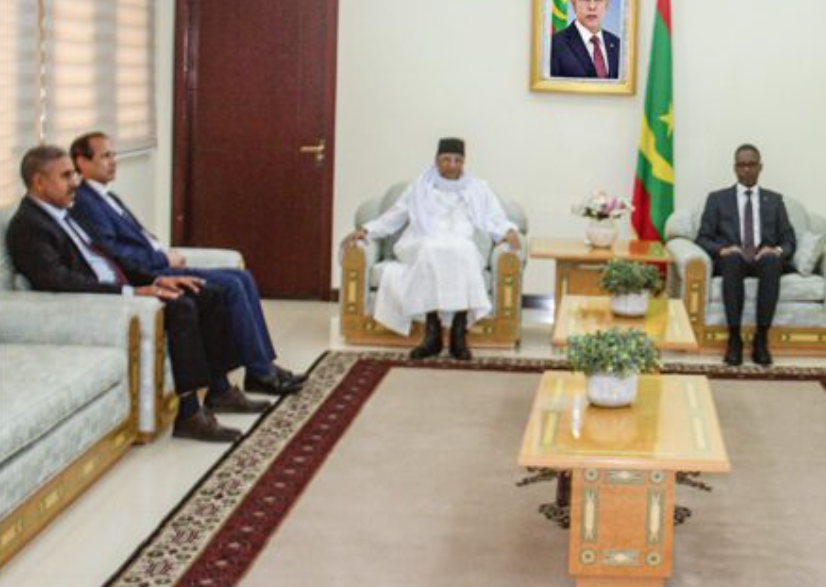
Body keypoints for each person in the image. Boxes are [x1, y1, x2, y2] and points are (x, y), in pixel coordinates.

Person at [6, 146, 262, 442]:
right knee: (182, 307)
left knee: (207, 293)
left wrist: (159, 278)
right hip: (100, 303)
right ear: (39, 182)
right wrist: (132, 291)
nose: (75, 182)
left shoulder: (64, 211)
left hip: (121, 285)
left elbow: (110, 259)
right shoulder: (28, 226)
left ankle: (219, 391)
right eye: (66, 176)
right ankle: (190, 414)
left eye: (74, 174)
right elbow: (59, 280)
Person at [68, 132, 305, 396]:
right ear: (82, 162)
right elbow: (116, 252)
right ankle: (260, 372)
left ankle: (262, 366)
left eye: (114, 155)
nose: (113, 161)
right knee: (231, 285)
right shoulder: (85, 202)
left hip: (160, 262)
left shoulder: (106, 196)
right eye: (105, 156)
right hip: (151, 272)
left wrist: (162, 250)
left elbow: (138, 238)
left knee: (243, 277)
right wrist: (162, 258)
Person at [343, 138, 520, 360]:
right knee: (432, 249)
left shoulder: (478, 188)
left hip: (460, 242)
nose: (452, 165)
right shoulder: (419, 187)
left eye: (457, 160)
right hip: (422, 240)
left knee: (464, 250)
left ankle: (458, 333)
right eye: (447, 159)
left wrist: (508, 231)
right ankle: (432, 333)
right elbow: (394, 216)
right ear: (437, 160)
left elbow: (494, 216)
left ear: (464, 162)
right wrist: (367, 230)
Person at [694, 144, 796, 367]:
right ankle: (734, 339)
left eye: (751, 164)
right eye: (742, 165)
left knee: (772, 260)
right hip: (733, 258)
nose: (746, 170)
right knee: (731, 259)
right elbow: (702, 238)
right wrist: (722, 250)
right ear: (735, 168)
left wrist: (776, 250)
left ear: (760, 167)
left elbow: (789, 240)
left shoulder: (775, 200)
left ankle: (761, 339)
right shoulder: (717, 199)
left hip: (762, 259)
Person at [549, 0, 621, 79]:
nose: (592, 6)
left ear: (606, 5)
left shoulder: (618, 45)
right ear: (574, 4)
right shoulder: (554, 45)